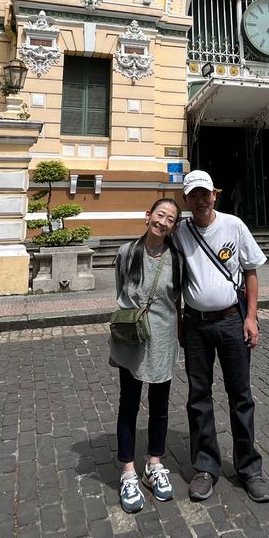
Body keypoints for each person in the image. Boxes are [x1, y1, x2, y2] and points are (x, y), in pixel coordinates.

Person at [176, 169, 269, 504]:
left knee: (241, 395)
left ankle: (249, 469)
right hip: (196, 324)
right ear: (185, 199)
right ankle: (205, 467)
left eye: (205, 193)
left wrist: (251, 318)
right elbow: (171, 277)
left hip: (232, 321)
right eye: (194, 195)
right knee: (198, 396)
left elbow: (251, 272)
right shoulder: (180, 232)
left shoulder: (234, 225)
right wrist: (179, 322)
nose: (201, 200)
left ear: (215, 195)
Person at [110, 198, 185, 513]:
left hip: (163, 339)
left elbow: (177, 299)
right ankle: (128, 471)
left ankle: (154, 464)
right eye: (160, 215)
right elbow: (120, 292)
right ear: (147, 216)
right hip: (132, 340)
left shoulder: (177, 259)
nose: (163, 222)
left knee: (159, 406)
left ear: (174, 227)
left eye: (170, 219)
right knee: (128, 404)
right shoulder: (127, 253)